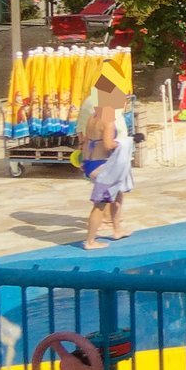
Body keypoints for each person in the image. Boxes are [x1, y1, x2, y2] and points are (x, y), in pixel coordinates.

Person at [80, 64, 135, 248]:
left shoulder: (93, 117)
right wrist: (127, 142)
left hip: (91, 161)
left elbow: (86, 140)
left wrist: (84, 161)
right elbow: (108, 144)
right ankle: (90, 241)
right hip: (102, 165)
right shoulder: (108, 119)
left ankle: (117, 229)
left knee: (118, 193)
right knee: (100, 203)